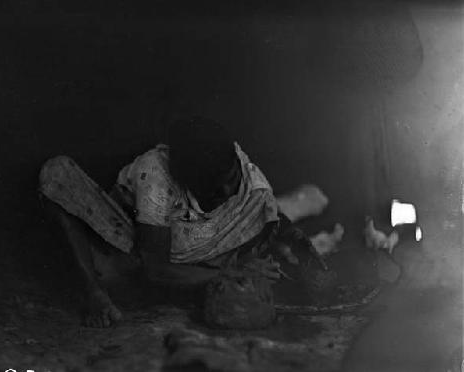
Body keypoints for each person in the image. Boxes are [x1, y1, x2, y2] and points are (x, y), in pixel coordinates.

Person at [39, 116, 328, 328]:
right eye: (216, 185)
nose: (229, 192)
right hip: (134, 240)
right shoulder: (156, 174)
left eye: (232, 180)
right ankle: (92, 293)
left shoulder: (248, 178)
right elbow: (155, 269)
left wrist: (306, 259)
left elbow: (272, 217)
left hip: (200, 247)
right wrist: (231, 273)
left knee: (264, 231)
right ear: (187, 180)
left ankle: (197, 277)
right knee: (58, 174)